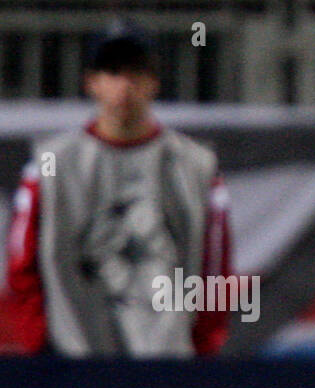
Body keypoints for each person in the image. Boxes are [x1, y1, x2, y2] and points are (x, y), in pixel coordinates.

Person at [2, 20, 230, 356]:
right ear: (91, 82)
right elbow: (22, 264)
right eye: (112, 72)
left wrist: (202, 351)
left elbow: (216, 266)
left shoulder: (195, 165)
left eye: (136, 72)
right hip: (76, 361)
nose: (124, 85)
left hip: (166, 364)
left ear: (154, 81)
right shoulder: (51, 165)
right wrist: (41, 346)